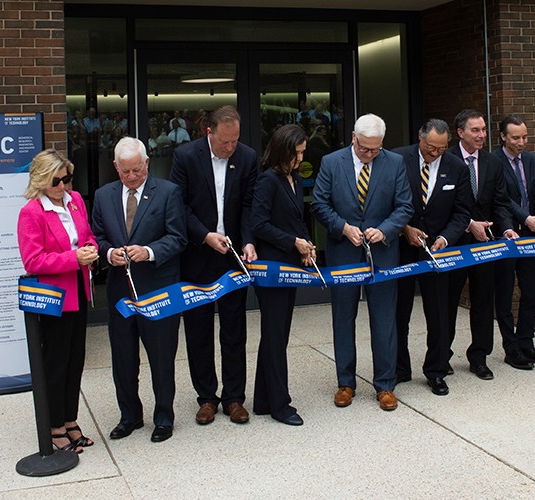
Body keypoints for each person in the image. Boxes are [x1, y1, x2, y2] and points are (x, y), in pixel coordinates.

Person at [312, 113, 413, 411]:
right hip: (344, 251)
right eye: (364, 148)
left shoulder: (394, 163)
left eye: (375, 149)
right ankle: (345, 382)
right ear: (353, 139)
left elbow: (405, 206)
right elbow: (319, 203)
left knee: (384, 320)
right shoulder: (332, 162)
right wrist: (342, 227)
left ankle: (385, 384)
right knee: (343, 318)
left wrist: (385, 230)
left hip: (383, 254)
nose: (369, 155)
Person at [92, 137, 187, 443]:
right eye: (125, 171)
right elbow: (97, 237)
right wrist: (108, 255)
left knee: (161, 357)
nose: (132, 177)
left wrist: (149, 251)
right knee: (123, 358)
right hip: (121, 291)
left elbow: (178, 237)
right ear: (115, 167)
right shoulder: (103, 195)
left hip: (158, 289)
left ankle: (163, 417)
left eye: (137, 170)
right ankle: (129, 415)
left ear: (147, 163)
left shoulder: (168, 192)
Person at [170, 105, 258, 426]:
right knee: (199, 330)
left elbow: (249, 204)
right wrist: (205, 235)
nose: (230, 147)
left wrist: (248, 240)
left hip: (233, 257)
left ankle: (234, 398)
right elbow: (179, 206)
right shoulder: (186, 156)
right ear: (209, 132)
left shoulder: (247, 158)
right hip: (198, 255)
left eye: (234, 141)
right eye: (224, 142)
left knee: (234, 330)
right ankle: (206, 397)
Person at [16, 149, 98, 453]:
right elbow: (33, 260)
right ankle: (54, 426)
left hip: (79, 288)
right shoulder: (32, 212)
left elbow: (88, 236)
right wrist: (73, 258)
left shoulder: (75, 200)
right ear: (40, 180)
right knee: (56, 362)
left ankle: (70, 418)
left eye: (67, 178)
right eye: (56, 181)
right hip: (54, 297)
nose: (63, 185)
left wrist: (90, 249)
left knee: (76, 359)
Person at [392, 119, 472, 396]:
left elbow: (463, 212)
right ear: (420, 138)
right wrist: (403, 228)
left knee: (439, 313)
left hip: (438, 250)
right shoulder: (397, 159)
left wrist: (446, 238)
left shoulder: (457, 168)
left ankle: (436, 370)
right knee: (398, 312)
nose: (434, 153)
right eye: (430, 147)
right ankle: (399, 368)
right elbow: (386, 202)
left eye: (440, 148)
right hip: (401, 248)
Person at [248, 124, 315, 426]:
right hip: (272, 270)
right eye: (297, 153)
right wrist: (293, 242)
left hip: (290, 267)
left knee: (277, 336)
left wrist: (305, 244)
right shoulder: (268, 181)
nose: (301, 159)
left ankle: (263, 399)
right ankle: (280, 404)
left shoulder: (294, 179)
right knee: (275, 336)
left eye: (303, 153)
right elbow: (259, 224)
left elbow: (296, 220)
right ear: (283, 151)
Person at [446, 109, 517, 381]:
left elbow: (500, 202)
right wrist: (468, 224)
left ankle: (479, 356)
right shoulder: (447, 159)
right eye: (475, 130)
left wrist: (507, 228)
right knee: (447, 302)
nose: (482, 135)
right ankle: (442, 355)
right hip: (454, 243)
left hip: (485, 242)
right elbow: (444, 206)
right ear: (460, 132)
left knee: (484, 302)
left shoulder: (492, 162)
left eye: (484, 130)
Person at [493, 115, 535, 370]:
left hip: (531, 235)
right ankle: (511, 348)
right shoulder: (493, 162)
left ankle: (527, 342)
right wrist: (525, 218)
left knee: (531, 291)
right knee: (505, 294)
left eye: (524, 137)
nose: (521, 142)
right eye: (515, 137)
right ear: (503, 137)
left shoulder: (530, 159)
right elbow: (502, 198)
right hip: (507, 234)